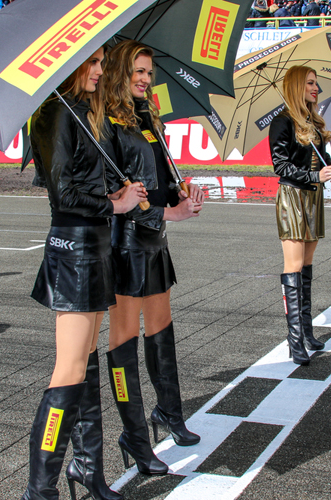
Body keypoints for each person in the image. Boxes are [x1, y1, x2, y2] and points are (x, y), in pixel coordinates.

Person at [22, 47, 148, 500]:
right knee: (69, 369)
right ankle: (40, 490)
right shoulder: (54, 113)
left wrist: (119, 190)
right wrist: (115, 204)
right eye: (91, 62)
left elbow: (85, 184)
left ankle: (89, 470)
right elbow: (63, 193)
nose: (99, 70)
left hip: (94, 247)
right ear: (67, 65)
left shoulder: (82, 113)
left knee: (85, 365)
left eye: (100, 61)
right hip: (73, 248)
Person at [103, 41, 205, 459]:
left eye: (148, 72)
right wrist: (171, 214)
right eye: (137, 72)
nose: (145, 79)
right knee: (124, 339)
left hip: (155, 241)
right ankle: (134, 435)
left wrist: (180, 190)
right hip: (126, 243)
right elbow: (116, 193)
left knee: (162, 330)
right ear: (119, 75)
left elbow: (155, 179)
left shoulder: (148, 116)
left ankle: (169, 412)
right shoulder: (106, 123)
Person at [269, 65, 331, 366]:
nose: (316, 88)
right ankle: (294, 339)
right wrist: (316, 174)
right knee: (294, 266)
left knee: (307, 266)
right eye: (310, 83)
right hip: (293, 197)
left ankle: (307, 331)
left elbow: (323, 160)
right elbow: (280, 166)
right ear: (298, 85)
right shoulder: (282, 122)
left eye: (316, 83)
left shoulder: (314, 122)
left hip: (313, 197)